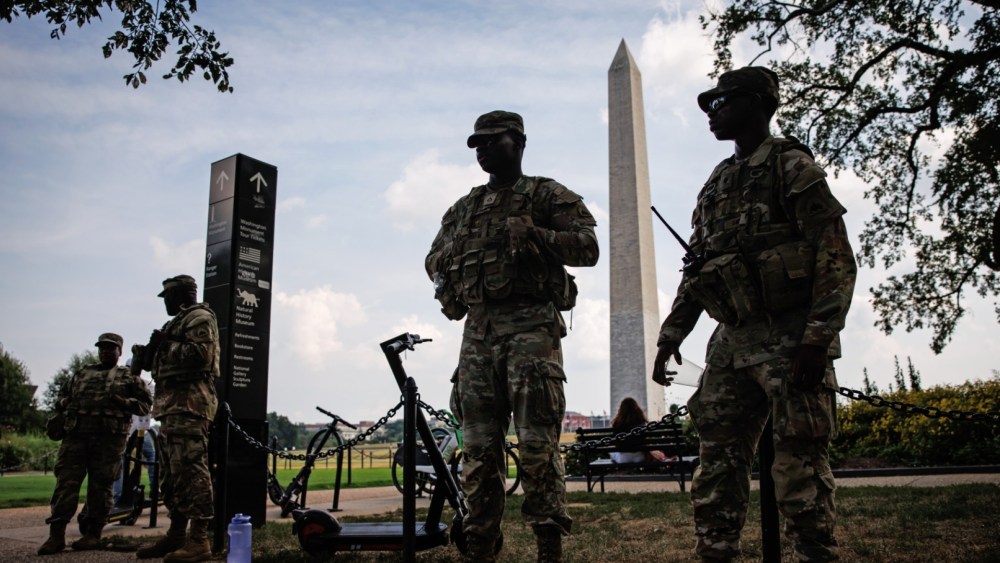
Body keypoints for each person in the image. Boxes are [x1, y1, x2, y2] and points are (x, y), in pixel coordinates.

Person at [651, 67, 857, 563]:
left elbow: (834, 256)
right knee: (716, 459)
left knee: (800, 462)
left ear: (758, 103)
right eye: (709, 104)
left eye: (722, 101)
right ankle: (716, 550)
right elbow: (697, 268)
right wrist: (671, 335)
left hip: (790, 337)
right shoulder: (716, 183)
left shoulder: (791, 166)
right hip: (732, 340)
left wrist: (816, 338)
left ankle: (813, 552)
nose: (712, 112)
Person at [426, 110, 599, 563]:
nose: (482, 150)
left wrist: (538, 235)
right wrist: (451, 267)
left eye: (491, 140)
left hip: (531, 331)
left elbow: (588, 248)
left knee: (538, 446)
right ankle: (480, 546)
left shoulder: (545, 194)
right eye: (476, 144)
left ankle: (548, 548)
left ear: (518, 142)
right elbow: (433, 260)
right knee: (478, 451)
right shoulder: (464, 208)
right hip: (478, 333)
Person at [38, 333, 153, 555]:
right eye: (102, 348)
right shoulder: (82, 374)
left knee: (101, 487)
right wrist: (65, 402)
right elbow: (60, 398)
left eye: (111, 348)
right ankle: (56, 535)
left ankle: (93, 534)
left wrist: (123, 402)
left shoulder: (129, 378)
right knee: (65, 485)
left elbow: (145, 406)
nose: (105, 352)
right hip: (76, 438)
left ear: (120, 352)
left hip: (108, 440)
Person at [133, 275, 221, 563]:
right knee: (173, 476)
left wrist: (166, 344)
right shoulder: (176, 324)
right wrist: (147, 354)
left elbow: (201, 355)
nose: (165, 303)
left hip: (189, 407)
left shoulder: (199, 317)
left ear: (181, 295)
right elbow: (162, 362)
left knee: (193, 472)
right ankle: (177, 534)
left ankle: (199, 540)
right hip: (170, 408)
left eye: (168, 297)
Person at [111, 375, 156, 508]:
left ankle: (118, 497)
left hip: (129, 430)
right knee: (151, 457)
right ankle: (154, 489)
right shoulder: (146, 384)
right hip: (139, 430)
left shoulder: (119, 383)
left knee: (122, 461)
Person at [609, 397, 656, 464]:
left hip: (623, 459)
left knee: (611, 451)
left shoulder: (617, 424)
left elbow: (615, 443)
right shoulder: (641, 422)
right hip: (640, 457)